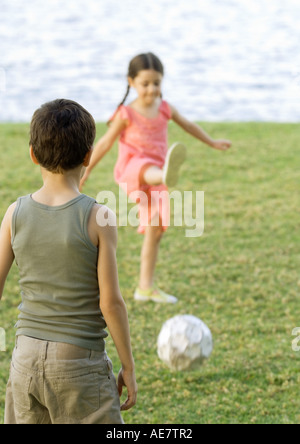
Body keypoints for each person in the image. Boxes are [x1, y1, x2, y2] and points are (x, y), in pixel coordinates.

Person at [0, 99, 137, 424]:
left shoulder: (14, 214)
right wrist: (128, 366)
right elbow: (111, 303)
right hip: (79, 365)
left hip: (25, 358)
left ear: (33, 153)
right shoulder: (98, 217)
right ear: (89, 156)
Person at [80, 52, 232, 304]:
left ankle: (145, 287)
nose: (151, 89)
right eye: (145, 84)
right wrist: (86, 170)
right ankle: (162, 173)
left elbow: (190, 126)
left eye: (156, 83)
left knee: (156, 228)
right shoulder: (126, 114)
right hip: (133, 171)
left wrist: (212, 142)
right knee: (146, 166)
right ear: (131, 83)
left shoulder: (165, 109)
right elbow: (106, 143)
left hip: (158, 182)